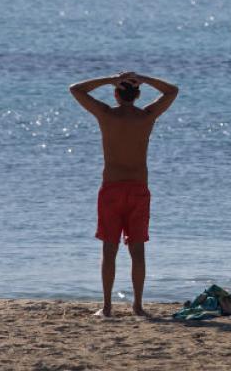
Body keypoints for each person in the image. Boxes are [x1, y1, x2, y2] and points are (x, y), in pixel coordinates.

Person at [69, 71, 179, 317]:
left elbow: (76, 89)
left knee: (109, 250)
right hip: (138, 189)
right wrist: (144, 78)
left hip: (112, 189)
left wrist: (109, 79)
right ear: (138, 95)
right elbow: (172, 91)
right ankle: (138, 306)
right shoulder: (147, 116)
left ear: (116, 94)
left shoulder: (106, 115)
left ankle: (107, 307)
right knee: (137, 251)